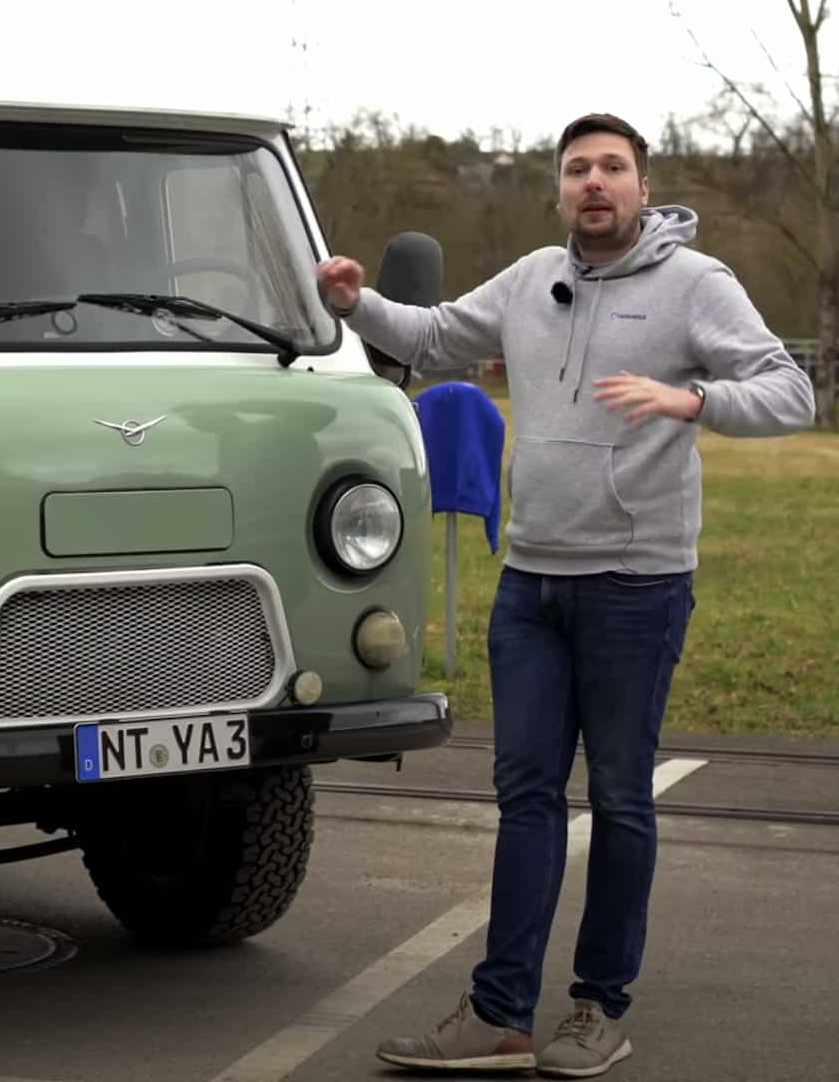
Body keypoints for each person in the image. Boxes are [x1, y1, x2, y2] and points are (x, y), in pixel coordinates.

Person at [317, 112, 815, 1078]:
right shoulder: (530, 278)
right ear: (559, 190)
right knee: (526, 799)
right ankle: (500, 1015)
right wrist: (357, 301)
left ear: (641, 186)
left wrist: (695, 400)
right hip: (533, 585)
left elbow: (788, 391)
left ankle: (598, 1009)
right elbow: (434, 333)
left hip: (637, 586)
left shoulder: (694, 285)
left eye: (613, 168)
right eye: (579, 168)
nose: (595, 182)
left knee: (622, 798)